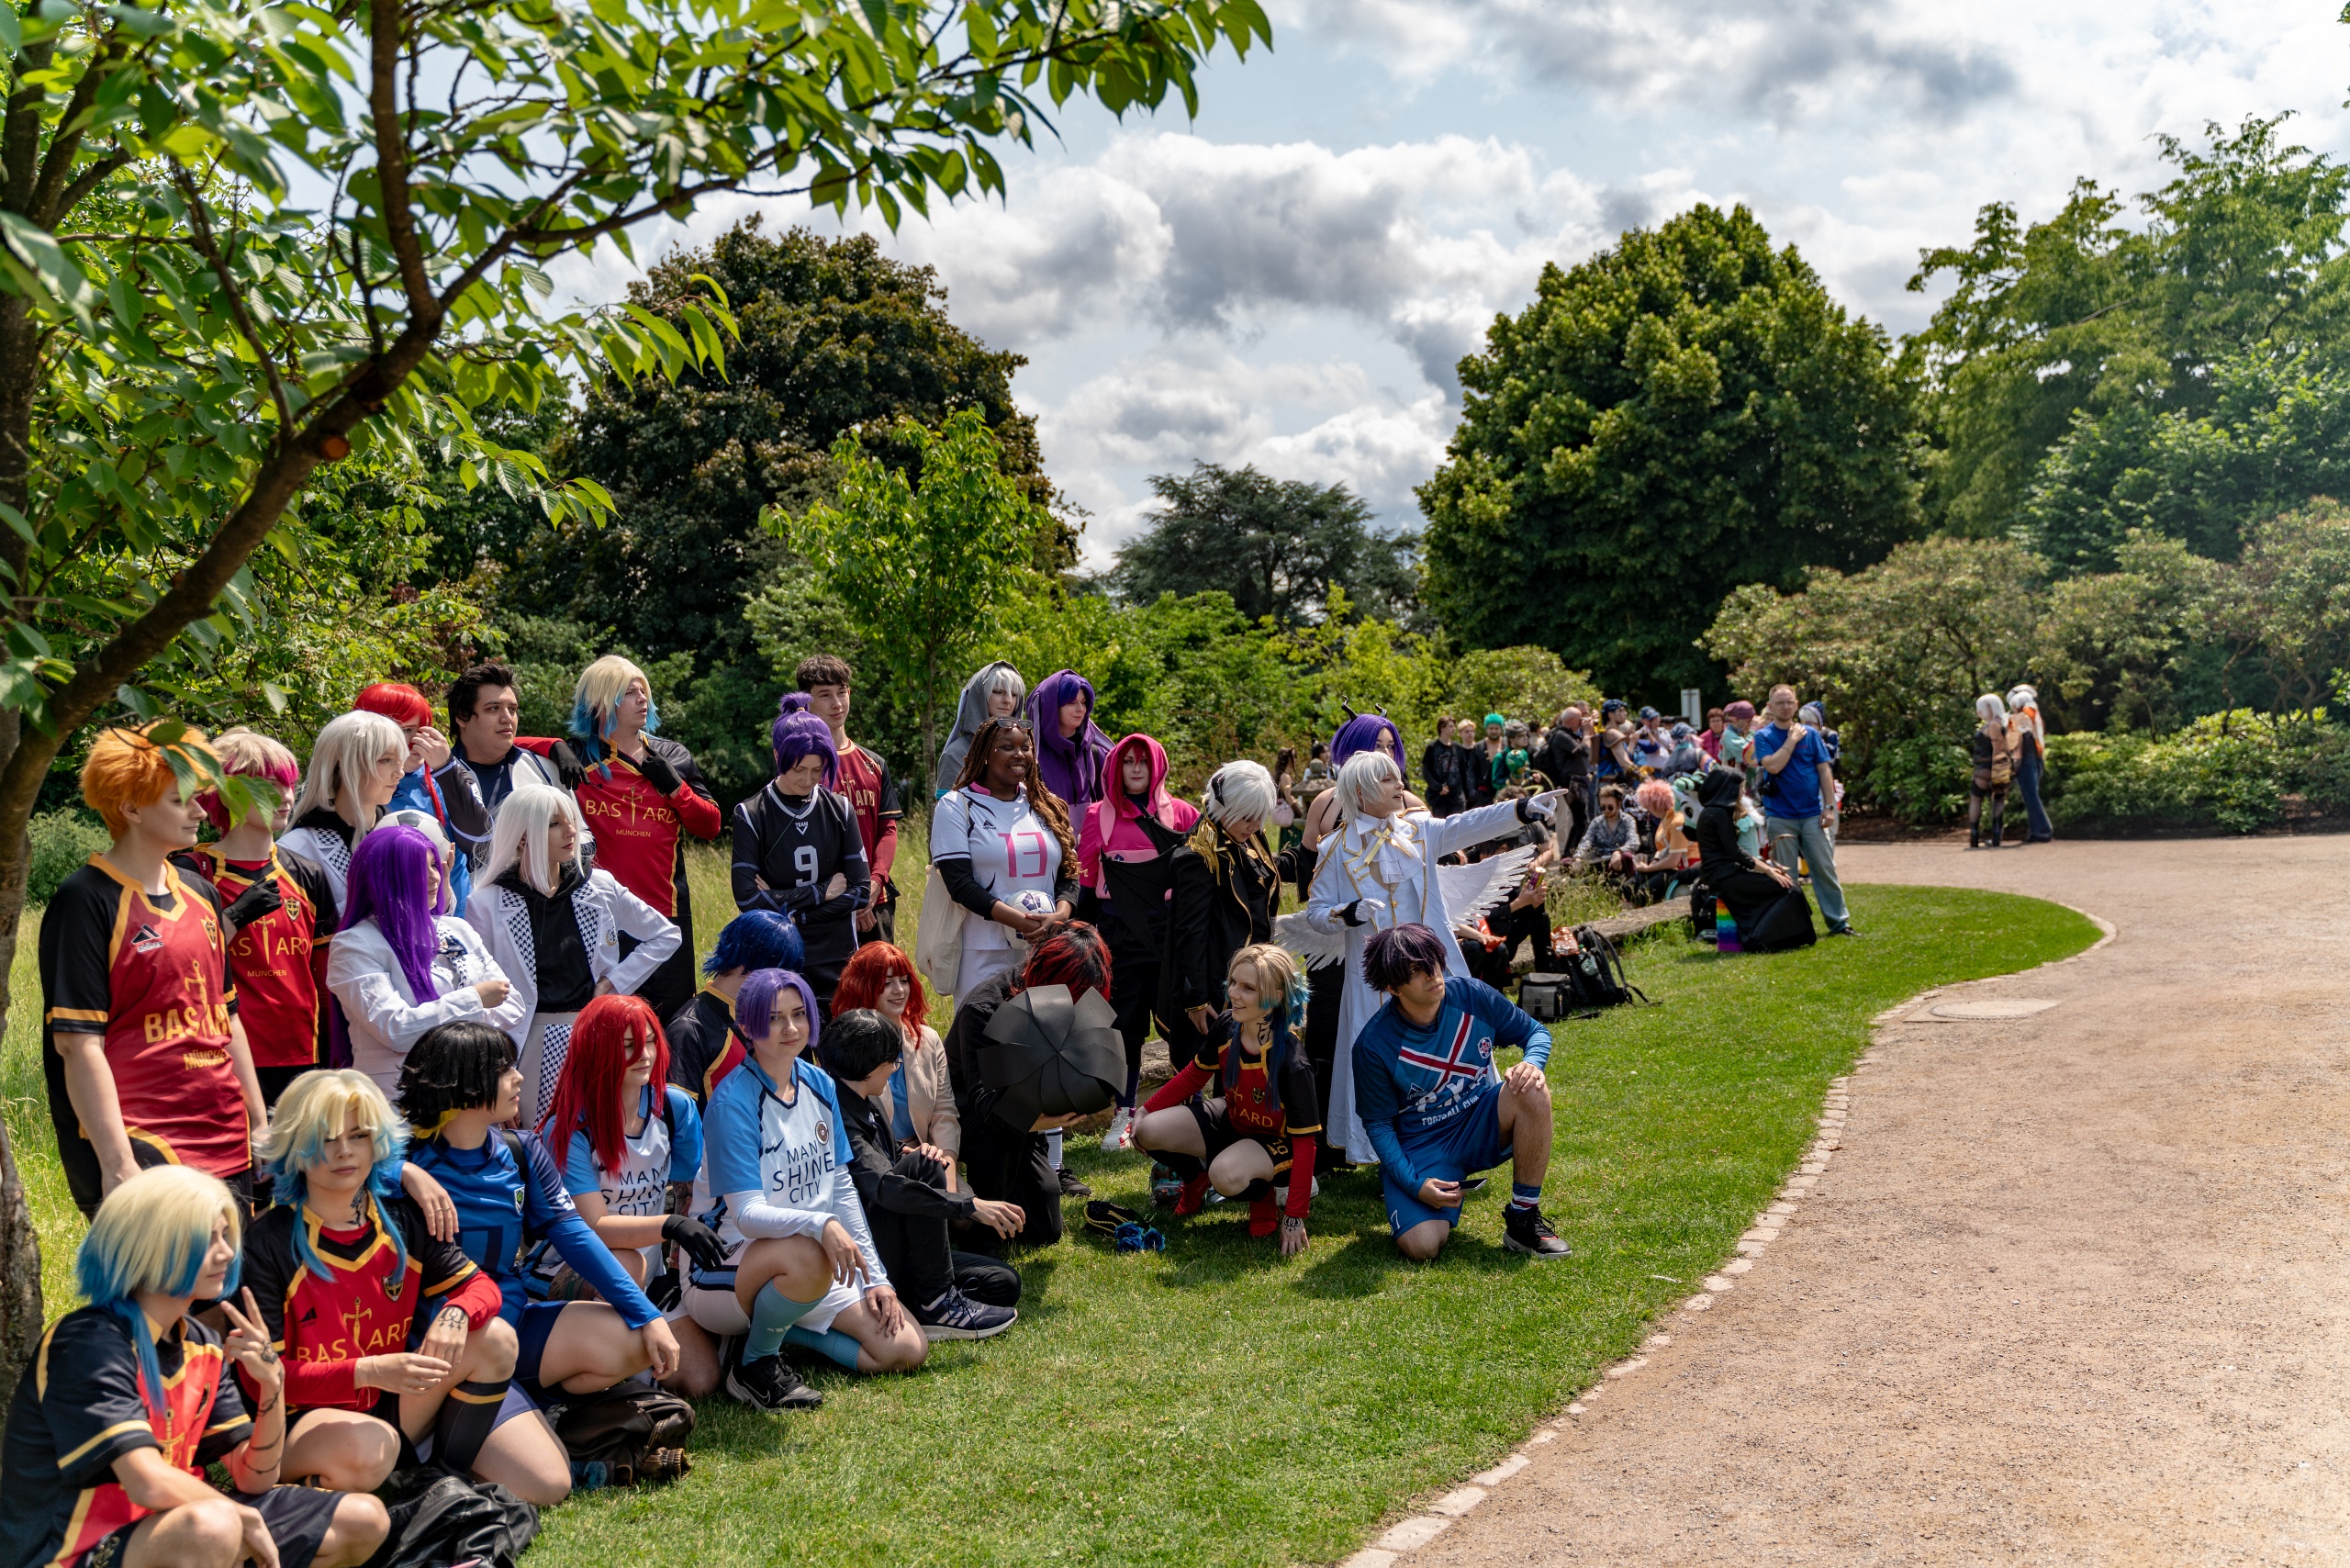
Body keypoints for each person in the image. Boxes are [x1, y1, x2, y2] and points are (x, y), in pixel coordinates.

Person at [3, 1166, 390, 1568]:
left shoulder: (203, 1343)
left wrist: (273, 1387)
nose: (227, 1253)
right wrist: (241, 1516)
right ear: (148, 1246)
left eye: (225, 1236)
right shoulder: (88, 1342)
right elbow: (147, 1482)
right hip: (73, 1553)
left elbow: (253, 1477)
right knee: (214, 1526)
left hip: (184, 1528)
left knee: (363, 1520)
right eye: (205, 1240)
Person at [398, 1020, 681, 1501]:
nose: (520, 1078)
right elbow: (311, 1163)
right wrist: (400, 1170)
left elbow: (575, 1236)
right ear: (466, 1084)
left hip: (514, 1325)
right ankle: (440, 1453)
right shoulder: (404, 1158)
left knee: (635, 1340)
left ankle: (531, 1410)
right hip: (448, 1348)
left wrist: (648, 1315)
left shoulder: (521, 1150)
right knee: (549, 1484)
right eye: (504, 1069)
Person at [241, 1070, 524, 1497]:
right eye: (326, 1138)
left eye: (358, 1136)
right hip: (300, 1422)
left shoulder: (402, 1219)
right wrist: (369, 1371)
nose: (344, 1151)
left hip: (386, 1402)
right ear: (295, 1147)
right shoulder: (266, 1242)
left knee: (496, 1340)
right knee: (368, 1448)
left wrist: (456, 1312)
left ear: (378, 1142)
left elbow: (483, 1289)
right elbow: (263, 1379)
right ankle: (311, 1495)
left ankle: (442, 1482)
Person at [41, 723, 266, 1219]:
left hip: (227, 1134)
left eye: (199, 796)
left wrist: (260, 1123)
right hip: (145, 1141)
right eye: (180, 800)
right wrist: (117, 1162)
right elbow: (78, 1044)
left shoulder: (201, 893)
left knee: (229, 1270)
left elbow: (227, 1017)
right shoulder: (85, 900)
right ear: (131, 808)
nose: (200, 811)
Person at [1305, 750, 1563, 1165]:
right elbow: (1316, 913)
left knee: (1455, 1047)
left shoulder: (1420, 830)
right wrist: (1347, 913)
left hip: (1433, 969)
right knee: (1383, 1062)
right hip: (1375, 983)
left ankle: (1468, 1135)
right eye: (1387, 780)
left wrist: (1521, 809)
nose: (1399, 785)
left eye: (1397, 777)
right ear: (1361, 791)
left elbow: (1469, 824)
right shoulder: (1334, 848)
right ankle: (1388, 1156)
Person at [687, 969, 924, 1409]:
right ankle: (753, 1365)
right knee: (810, 1255)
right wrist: (821, 1225)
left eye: (799, 1014)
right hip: (726, 1264)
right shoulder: (733, 1102)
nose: (791, 1028)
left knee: (905, 1348)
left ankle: (777, 1326)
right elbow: (746, 1216)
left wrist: (876, 1278)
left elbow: (840, 1186)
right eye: (774, 1018)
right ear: (746, 1026)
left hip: (808, 1260)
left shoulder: (819, 1083)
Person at [530, 994, 727, 1398]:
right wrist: (670, 1225)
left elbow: (688, 1191)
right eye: (627, 1045)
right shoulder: (569, 1127)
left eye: (651, 1040)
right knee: (625, 1261)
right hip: (570, 1272)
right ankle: (578, 1378)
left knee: (701, 1380)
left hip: (649, 1274)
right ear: (595, 1050)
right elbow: (596, 1228)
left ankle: (618, 1366)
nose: (645, 1054)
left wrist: (678, 1267)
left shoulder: (673, 1108)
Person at [519, 655, 721, 1022]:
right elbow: (506, 744)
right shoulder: (576, 757)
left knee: (670, 1026)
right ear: (600, 702)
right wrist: (553, 746)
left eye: (644, 690)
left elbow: (710, 826)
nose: (643, 698)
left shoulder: (673, 756)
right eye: (629, 692)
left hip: (667, 914)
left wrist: (676, 788)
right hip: (599, 916)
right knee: (605, 1025)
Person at [468, 783, 680, 1128]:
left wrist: (613, 983)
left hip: (600, 1035)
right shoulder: (486, 903)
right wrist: (496, 1073)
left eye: (571, 819)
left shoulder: (600, 886)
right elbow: (484, 1004)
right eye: (554, 823)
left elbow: (666, 935)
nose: (572, 831)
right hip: (528, 1043)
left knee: (602, 1137)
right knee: (542, 1141)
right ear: (522, 838)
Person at [1351, 924, 1567, 1260]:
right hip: (1422, 1146)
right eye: (1415, 970)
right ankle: (1414, 1191)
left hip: (1480, 1121)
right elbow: (1378, 1126)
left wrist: (1532, 1063)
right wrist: (1414, 1184)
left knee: (1532, 1089)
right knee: (1422, 1246)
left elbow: (1536, 1032)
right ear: (1392, 987)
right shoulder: (1373, 1046)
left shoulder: (1473, 994)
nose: (1432, 975)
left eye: (1433, 961)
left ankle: (1523, 1219)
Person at [816, 1008, 1022, 1338]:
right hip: (867, 1252)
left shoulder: (867, 1100)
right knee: (923, 1166)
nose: (893, 1068)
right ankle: (936, 1302)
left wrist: (913, 1153)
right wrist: (968, 1206)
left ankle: (923, 1299)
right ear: (868, 1066)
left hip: (902, 1242)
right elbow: (883, 1186)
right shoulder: (836, 1114)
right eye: (891, 1061)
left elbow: (887, 1154)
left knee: (1004, 1283)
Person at [181, 727, 338, 1107]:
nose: (286, 796)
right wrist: (235, 917)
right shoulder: (191, 871)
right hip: (221, 1055)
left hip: (303, 1056)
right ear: (226, 792)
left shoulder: (307, 873)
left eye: (289, 784)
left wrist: (335, 1055)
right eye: (269, 786)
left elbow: (326, 979)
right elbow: (183, 963)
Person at [1133, 944, 1320, 1251]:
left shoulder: (1292, 1062)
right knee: (1148, 1129)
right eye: (1233, 982)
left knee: (1225, 1175)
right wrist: (1145, 1110)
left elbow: (1305, 1145)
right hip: (1232, 1119)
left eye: (1248, 988)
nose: (1234, 993)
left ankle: (1263, 1197)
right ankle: (1195, 1180)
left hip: (1275, 1143)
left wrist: (1295, 1216)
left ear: (1276, 996)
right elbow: (1194, 1075)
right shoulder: (1226, 1025)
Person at [941, 925, 1110, 1252]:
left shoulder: (1073, 994)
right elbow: (985, 1102)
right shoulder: (983, 1009)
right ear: (1045, 981)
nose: (1072, 1009)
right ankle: (972, 1220)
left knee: (1045, 1227)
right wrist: (1037, 1120)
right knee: (996, 1138)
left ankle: (994, 1200)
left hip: (1025, 1112)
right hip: (969, 1114)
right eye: (1069, 998)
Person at [328, 823, 522, 1097]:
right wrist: (474, 1000)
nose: (434, 877)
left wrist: (438, 1020)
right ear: (388, 877)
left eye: (434, 865)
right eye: (419, 868)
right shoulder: (354, 944)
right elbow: (396, 1029)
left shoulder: (458, 928)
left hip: (470, 1092)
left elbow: (513, 1004)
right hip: (400, 1101)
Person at [1077, 732, 1199, 1151]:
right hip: (1118, 936)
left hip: (1171, 937)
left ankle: (1189, 1111)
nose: (1135, 769)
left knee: (1181, 1024)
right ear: (1115, 766)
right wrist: (1080, 937)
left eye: (1143, 761)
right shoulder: (1098, 815)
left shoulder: (1183, 814)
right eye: (1127, 761)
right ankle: (1124, 1113)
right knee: (1125, 1026)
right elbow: (1087, 884)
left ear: (1157, 766)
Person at [930, 715, 1080, 1001]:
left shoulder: (1046, 805)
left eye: (1026, 747)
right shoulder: (956, 806)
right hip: (983, 953)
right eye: (1007, 747)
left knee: (1042, 1028)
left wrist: (1059, 917)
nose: (1019, 755)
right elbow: (959, 884)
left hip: (1045, 948)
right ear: (985, 754)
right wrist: (1021, 922)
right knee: (984, 1028)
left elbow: (1069, 874)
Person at [1160, 761, 1285, 1092]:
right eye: (1247, 817)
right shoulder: (1198, 854)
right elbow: (1190, 933)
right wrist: (1197, 1000)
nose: (1255, 825)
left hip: (1253, 975)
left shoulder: (1247, 835)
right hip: (1217, 982)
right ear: (1224, 807)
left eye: (1260, 817)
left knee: (1245, 1071)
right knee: (1210, 1069)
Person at [732, 707, 870, 1005]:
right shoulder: (751, 814)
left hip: (837, 957)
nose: (808, 780)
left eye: (817, 770)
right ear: (776, 756)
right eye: (799, 769)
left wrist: (793, 911)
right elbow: (747, 900)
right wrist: (822, 892)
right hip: (777, 955)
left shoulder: (841, 809)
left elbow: (861, 892)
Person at [352, 683, 490, 913]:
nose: (416, 742)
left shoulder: (449, 772)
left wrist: (446, 769)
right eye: (405, 731)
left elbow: (481, 843)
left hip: (456, 920)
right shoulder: (359, 786)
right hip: (388, 919)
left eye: (423, 730)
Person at [798, 654, 904, 946]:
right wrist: (848, 899)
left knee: (881, 975)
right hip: (824, 904)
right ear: (806, 702)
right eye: (825, 695)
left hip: (876, 901)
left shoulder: (874, 764)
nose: (837, 704)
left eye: (842, 692)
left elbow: (887, 831)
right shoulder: (800, 770)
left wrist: (873, 885)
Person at [832, 942, 959, 1164]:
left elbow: (944, 1114)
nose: (899, 990)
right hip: (873, 1161)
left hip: (928, 1158)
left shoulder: (929, 1040)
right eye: (887, 983)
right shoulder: (844, 1047)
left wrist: (947, 1169)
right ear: (863, 986)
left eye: (904, 980)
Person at [667, 909, 804, 1106]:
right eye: (779, 971)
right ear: (747, 960)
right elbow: (679, 1115)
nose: (784, 982)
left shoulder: (775, 1016)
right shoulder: (689, 1029)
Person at [444, 662, 574, 870]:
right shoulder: (436, 779)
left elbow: (582, 836)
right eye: (493, 709)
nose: (507, 719)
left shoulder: (546, 770)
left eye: (512, 709)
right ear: (462, 716)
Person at [279, 709, 408, 915]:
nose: (399, 772)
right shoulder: (297, 849)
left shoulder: (404, 834)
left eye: (400, 761)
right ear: (345, 762)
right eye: (386, 760)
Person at [1751, 684, 1854, 936]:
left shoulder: (1811, 735)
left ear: (1796, 704)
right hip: (1780, 815)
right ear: (1770, 707)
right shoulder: (1763, 736)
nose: (1785, 707)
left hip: (1812, 815)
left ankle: (1839, 923)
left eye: (1789, 702)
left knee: (1824, 869)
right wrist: (1791, 740)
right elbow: (1773, 766)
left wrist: (1828, 807)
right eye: (1780, 703)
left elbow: (1824, 770)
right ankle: (1791, 927)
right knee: (1786, 876)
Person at [1694, 767, 1793, 932]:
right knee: (1787, 888)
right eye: (1740, 788)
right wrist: (1768, 870)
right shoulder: (1718, 814)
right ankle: (1769, 934)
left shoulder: (1712, 812)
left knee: (1784, 884)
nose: (1742, 793)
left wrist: (1767, 869)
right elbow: (1735, 852)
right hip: (1723, 877)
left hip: (1721, 874)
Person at [1025, 668, 1113, 815]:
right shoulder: (1030, 758)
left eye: (1084, 702)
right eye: (1072, 702)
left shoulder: (1097, 755)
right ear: (1052, 707)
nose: (1081, 709)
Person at [934, 661, 1026, 799]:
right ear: (979, 697)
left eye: (1013, 694)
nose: (1007, 700)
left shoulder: (1025, 752)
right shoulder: (955, 755)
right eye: (997, 692)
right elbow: (947, 810)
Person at [1538, 706, 1592, 857]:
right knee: (1581, 821)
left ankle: (1568, 856)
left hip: (1575, 783)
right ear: (1572, 720)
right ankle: (1569, 856)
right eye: (1580, 719)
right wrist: (1587, 733)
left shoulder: (1566, 734)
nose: (1581, 722)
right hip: (1571, 784)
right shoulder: (1561, 735)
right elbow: (1584, 751)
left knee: (1580, 821)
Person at [2007, 684, 2053, 844]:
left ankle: (2043, 830)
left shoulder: (2024, 715)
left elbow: (2021, 738)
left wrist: (2016, 759)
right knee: (2031, 796)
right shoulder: (2035, 713)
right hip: (2036, 757)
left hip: (2027, 759)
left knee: (2031, 796)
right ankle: (2036, 830)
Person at [1969, 693, 2015, 850]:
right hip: (1994, 767)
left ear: (1989, 708)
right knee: (1996, 801)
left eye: (1981, 709)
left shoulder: (1993, 725)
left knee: (1977, 799)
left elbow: (1997, 749)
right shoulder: (1999, 724)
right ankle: (1995, 837)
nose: (1978, 712)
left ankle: (1975, 836)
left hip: (1988, 767)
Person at [1421, 719, 1467, 817]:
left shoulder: (1458, 748)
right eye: (1450, 726)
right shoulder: (1432, 748)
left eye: (1454, 726)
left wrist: (1466, 793)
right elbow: (1426, 771)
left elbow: (1463, 772)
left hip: (1457, 796)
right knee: (1441, 824)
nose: (1454, 729)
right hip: (1440, 796)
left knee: (1459, 822)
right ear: (1442, 728)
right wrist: (1437, 787)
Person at [1718, 700, 1756, 771]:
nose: (1750, 724)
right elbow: (1749, 755)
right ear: (1734, 719)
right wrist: (1755, 729)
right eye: (1748, 721)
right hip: (1732, 776)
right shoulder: (1729, 735)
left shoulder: (1740, 731)